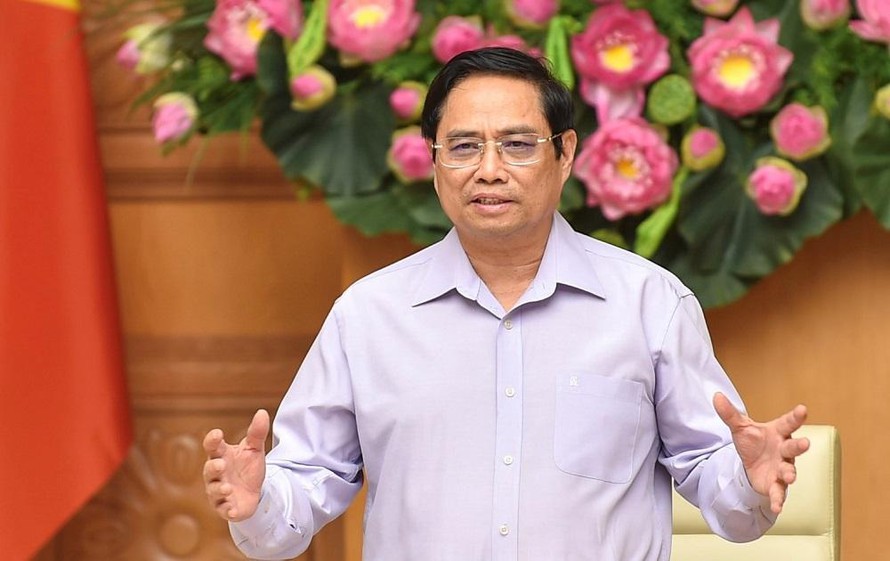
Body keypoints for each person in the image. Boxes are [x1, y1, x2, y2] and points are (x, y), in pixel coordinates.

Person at [202, 47, 809, 561]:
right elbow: (302, 489)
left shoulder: (649, 303)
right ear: (433, 160)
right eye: (464, 146)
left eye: (517, 144)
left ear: (565, 154)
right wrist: (258, 504)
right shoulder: (368, 315)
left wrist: (748, 481)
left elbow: (720, 488)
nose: (488, 170)